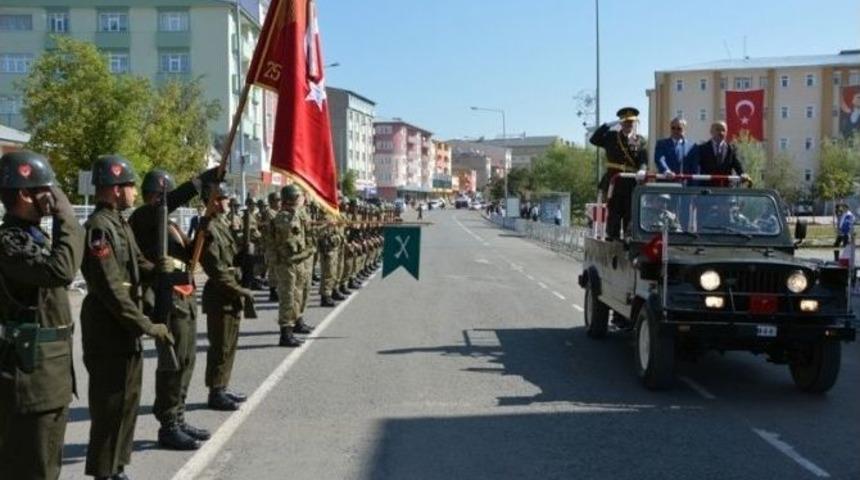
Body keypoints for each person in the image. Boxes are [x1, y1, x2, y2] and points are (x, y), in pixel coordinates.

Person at [80, 154, 175, 480]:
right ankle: (104, 473)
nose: (135, 191)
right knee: (110, 406)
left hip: (125, 330)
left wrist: (161, 270)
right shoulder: (98, 229)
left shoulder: (120, 223)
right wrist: (146, 324)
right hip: (109, 330)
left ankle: (117, 467)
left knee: (127, 403)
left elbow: (137, 265)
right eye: (131, 185)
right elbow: (111, 289)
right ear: (116, 188)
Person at [0, 151, 84, 480]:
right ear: (24, 194)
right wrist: (67, 213)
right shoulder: (8, 241)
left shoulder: (32, 235)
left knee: (45, 463)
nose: (52, 198)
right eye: (46, 190)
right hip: (32, 378)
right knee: (32, 468)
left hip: (50, 373)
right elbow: (60, 270)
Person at [128, 168, 218, 450]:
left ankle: (178, 417)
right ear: (155, 195)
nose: (166, 201)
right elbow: (169, 203)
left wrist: (205, 226)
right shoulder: (144, 216)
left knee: (187, 360)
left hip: (185, 296)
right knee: (173, 363)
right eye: (164, 195)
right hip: (167, 300)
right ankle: (167, 424)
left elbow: (190, 256)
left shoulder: (170, 224)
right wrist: (199, 182)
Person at [200, 182, 254, 411]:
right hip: (220, 295)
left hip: (230, 292)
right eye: (222, 199)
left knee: (230, 344)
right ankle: (215, 391)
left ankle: (222, 385)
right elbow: (217, 271)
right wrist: (241, 291)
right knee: (220, 346)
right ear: (213, 201)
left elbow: (232, 256)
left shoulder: (220, 224)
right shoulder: (208, 229)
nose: (226, 202)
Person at [590, 106, 648, 239]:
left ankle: (628, 239)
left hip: (630, 182)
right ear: (621, 123)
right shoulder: (611, 137)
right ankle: (612, 237)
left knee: (630, 212)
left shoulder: (640, 140)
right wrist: (607, 125)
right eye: (626, 122)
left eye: (631, 122)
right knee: (614, 212)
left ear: (634, 123)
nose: (629, 125)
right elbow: (594, 140)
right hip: (613, 181)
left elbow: (643, 160)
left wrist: (642, 170)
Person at [271, 184, 314, 347]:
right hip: (286, 263)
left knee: (297, 294)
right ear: (293, 199)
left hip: (296, 261)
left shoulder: (295, 215)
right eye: (300, 196)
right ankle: (285, 334)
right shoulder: (283, 217)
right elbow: (289, 240)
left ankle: (295, 323)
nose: (303, 199)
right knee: (288, 297)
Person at [692, 121, 748, 186]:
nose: (721, 133)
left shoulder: (731, 149)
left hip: (725, 189)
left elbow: (737, 165)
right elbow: (695, 168)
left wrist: (742, 174)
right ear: (711, 131)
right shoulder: (702, 148)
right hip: (707, 189)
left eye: (723, 130)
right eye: (718, 129)